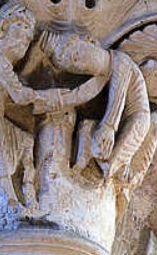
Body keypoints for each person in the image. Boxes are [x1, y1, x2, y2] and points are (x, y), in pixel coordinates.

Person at [0, 3, 71, 204]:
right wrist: (50, 96)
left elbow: (16, 89)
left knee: (26, 140)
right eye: (20, 33)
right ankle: (10, 204)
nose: (25, 41)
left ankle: (28, 185)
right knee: (0, 170)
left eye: (28, 38)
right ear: (3, 28)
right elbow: (19, 96)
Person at [40, 31, 150, 179]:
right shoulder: (101, 76)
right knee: (87, 130)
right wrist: (44, 101)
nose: (80, 66)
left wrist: (109, 126)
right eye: (74, 67)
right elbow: (79, 94)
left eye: (76, 56)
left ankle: (119, 170)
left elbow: (119, 95)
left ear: (90, 40)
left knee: (113, 164)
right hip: (120, 122)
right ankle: (83, 166)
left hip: (138, 118)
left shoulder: (120, 61)